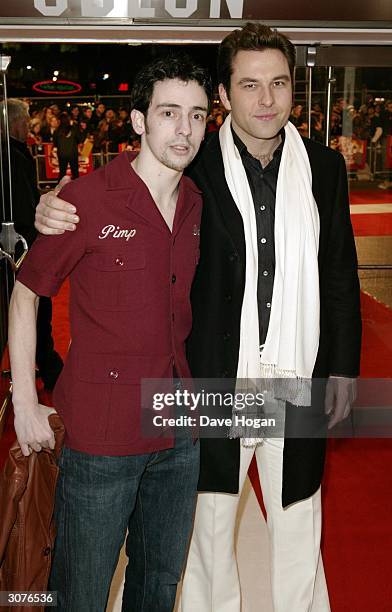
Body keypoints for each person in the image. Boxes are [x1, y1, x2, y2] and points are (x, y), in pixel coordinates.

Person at [34, 24, 361, 612]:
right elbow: (125, 191)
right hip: (216, 376)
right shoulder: (194, 163)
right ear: (225, 96)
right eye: (250, 85)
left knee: (298, 518)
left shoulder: (324, 168)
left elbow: (339, 276)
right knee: (208, 528)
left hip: (296, 371)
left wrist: (342, 369)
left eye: (279, 84)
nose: (266, 100)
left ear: (294, 89)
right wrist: (55, 209)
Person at [9, 54, 211, 611]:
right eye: (169, 113)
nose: (184, 129)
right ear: (140, 121)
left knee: (156, 587)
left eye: (196, 115)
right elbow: (25, 294)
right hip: (100, 439)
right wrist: (25, 401)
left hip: (177, 429)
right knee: (81, 595)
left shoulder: (195, 202)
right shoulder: (87, 201)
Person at [0, 98, 63, 391]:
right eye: (25, 120)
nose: (29, 125)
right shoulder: (10, 156)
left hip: (16, 247)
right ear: (13, 122)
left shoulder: (14, 153)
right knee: (35, 311)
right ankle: (50, 369)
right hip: (18, 249)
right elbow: (23, 210)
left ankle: (48, 367)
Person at [53, 112, 84, 180]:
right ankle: (76, 188)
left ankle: (60, 188)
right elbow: (80, 139)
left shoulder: (57, 131)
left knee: (62, 172)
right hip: (72, 153)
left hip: (62, 154)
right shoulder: (74, 129)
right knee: (75, 172)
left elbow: (55, 144)